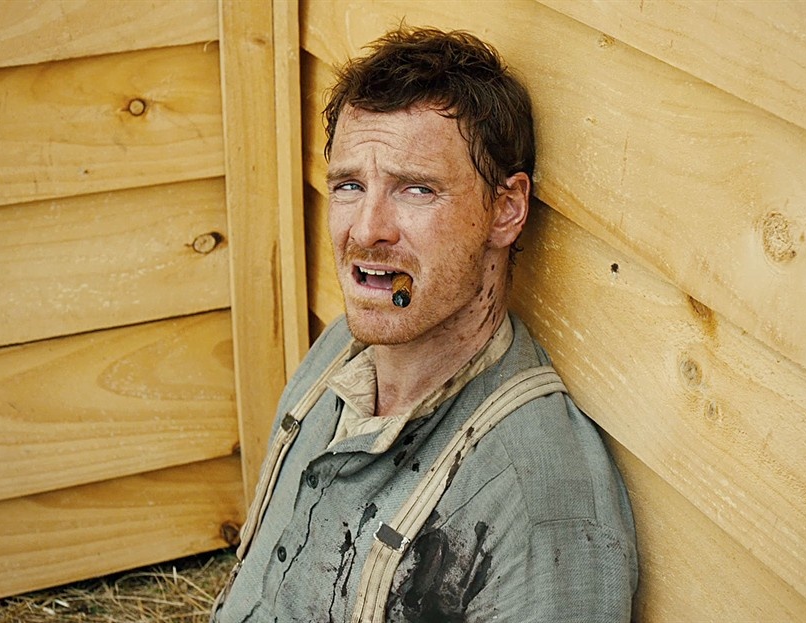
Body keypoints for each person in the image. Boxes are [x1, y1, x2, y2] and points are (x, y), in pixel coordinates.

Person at [212, 26, 637, 623]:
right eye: (350, 186)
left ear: (506, 209)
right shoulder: (341, 349)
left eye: (415, 189)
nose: (366, 229)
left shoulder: (537, 498)